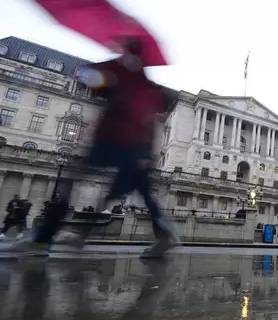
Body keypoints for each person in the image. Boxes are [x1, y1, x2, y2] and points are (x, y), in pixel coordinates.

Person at [14, 36, 179, 258]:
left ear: (127, 49)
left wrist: (102, 79)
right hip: (132, 146)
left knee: (71, 183)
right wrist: (147, 153)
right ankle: (163, 235)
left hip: (111, 140)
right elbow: (150, 117)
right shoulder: (142, 82)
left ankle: (44, 239)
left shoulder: (122, 73)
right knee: (139, 192)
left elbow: (86, 78)